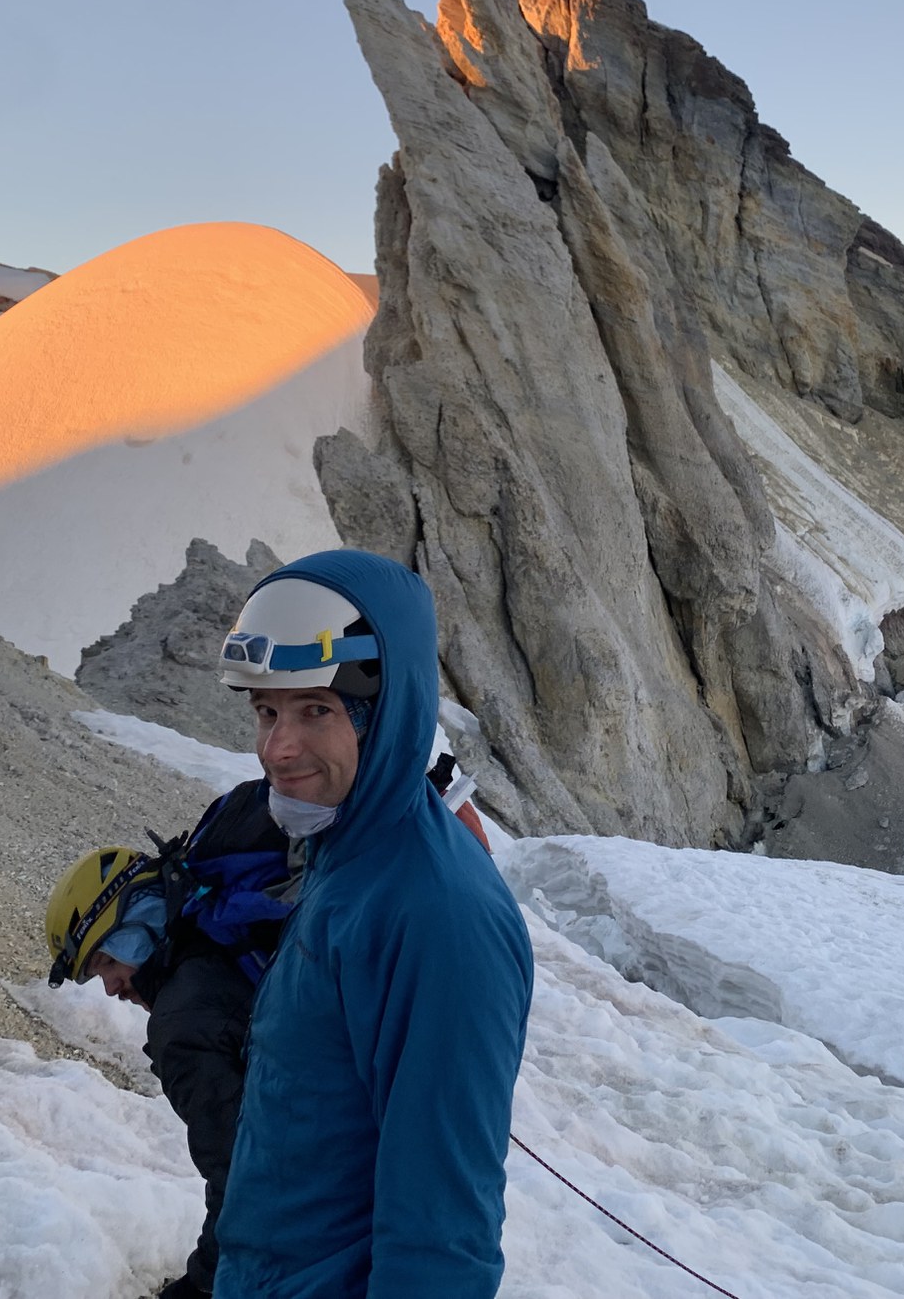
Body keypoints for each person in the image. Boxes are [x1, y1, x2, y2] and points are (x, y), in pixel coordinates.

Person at [211, 549, 534, 1299]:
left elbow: (442, 1236)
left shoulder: (438, 915)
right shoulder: (347, 851)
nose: (277, 749)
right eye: (266, 711)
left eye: (315, 710)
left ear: (383, 713)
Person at [44, 782, 294, 1299]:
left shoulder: (182, 1026)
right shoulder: (221, 939)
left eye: (106, 962)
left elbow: (248, 1181)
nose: (111, 988)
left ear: (136, 917)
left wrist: (200, 1288)